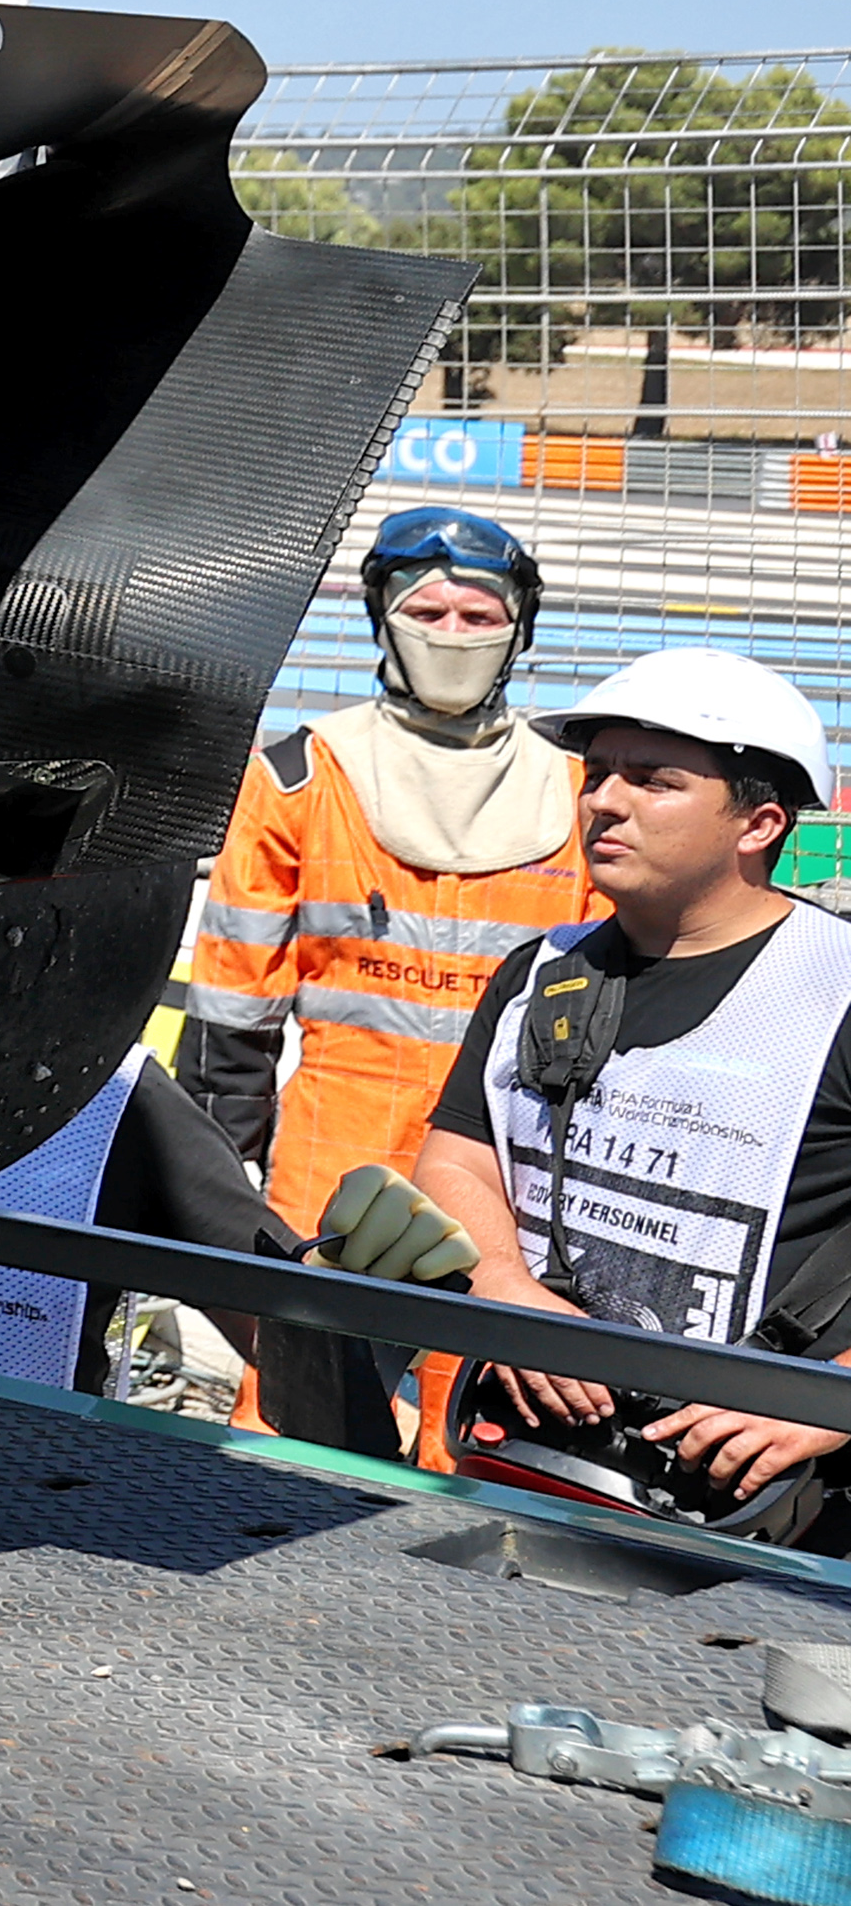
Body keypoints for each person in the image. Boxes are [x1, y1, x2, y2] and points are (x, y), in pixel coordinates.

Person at [408, 648, 851, 1541]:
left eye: (653, 780)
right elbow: (458, 1154)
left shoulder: (835, 986)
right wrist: (499, 1278)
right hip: (527, 1463)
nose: (603, 801)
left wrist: (830, 1401)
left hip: (761, 1516)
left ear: (757, 823)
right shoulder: (538, 974)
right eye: (597, 773)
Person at [179, 507, 591, 1261]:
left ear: (517, 629)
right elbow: (233, 1001)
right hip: (334, 1152)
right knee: (305, 1368)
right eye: (426, 611)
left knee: (477, 1373)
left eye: (477, 614)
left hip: (510, 1170)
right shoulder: (299, 776)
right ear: (382, 620)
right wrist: (220, 1156)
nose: (451, 632)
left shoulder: (575, 790)